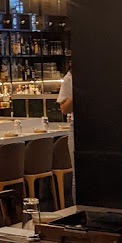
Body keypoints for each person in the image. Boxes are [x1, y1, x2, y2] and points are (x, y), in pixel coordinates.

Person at [57, 64, 74, 202]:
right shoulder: (69, 78)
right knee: (79, 174)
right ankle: (79, 208)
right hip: (78, 129)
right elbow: (64, 109)